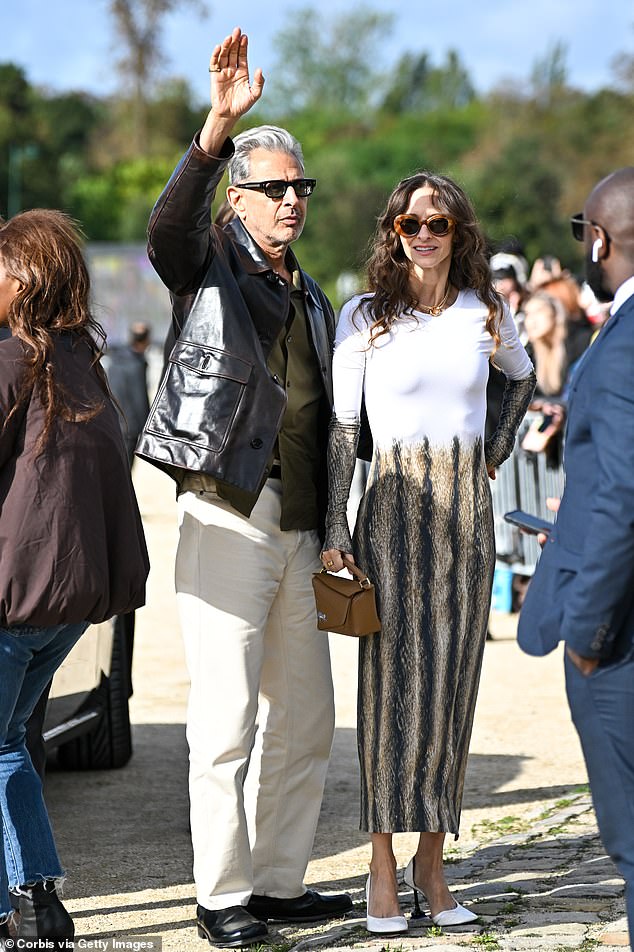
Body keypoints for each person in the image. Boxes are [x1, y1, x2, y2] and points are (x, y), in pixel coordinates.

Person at [135, 27, 351, 949]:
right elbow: (165, 230)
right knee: (223, 724)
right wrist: (214, 131)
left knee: (305, 722)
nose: (292, 202)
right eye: (274, 189)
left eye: (300, 188)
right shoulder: (210, 263)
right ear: (239, 197)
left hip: (302, 530)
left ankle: (276, 883)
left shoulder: (313, 297)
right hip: (227, 516)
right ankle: (219, 897)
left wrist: (337, 525)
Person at [320, 172, 535, 934]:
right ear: (393, 232)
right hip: (390, 512)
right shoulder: (364, 317)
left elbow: (524, 379)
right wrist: (334, 528)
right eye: (411, 224)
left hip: (466, 521)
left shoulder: (487, 312)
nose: (424, 235)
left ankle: (432, 865)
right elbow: (345, 430)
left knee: (451, 688)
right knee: (386, 693)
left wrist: (494, 452)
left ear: (459, 233)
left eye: (438, 224)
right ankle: (381, 861)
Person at [0, 209, 149, 947]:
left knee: (0, 748)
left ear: (22, 279)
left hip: (14, 601)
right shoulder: (81, 365)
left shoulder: (12, 362)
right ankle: (17, 902)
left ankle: (38, 897)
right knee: (8, 743)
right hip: (70, 607)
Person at [518, 166, 634, 945]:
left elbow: (625, 501)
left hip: (618, 639)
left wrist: (588, 636)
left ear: (599, 238)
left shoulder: (623, 346)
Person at [103, 321, 152, 468]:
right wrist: (147, 428)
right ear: (147, 340)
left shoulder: (114, 360)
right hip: (130, 427)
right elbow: (140, 399)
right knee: (125, 470)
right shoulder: (137, 365)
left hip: (111, 423)